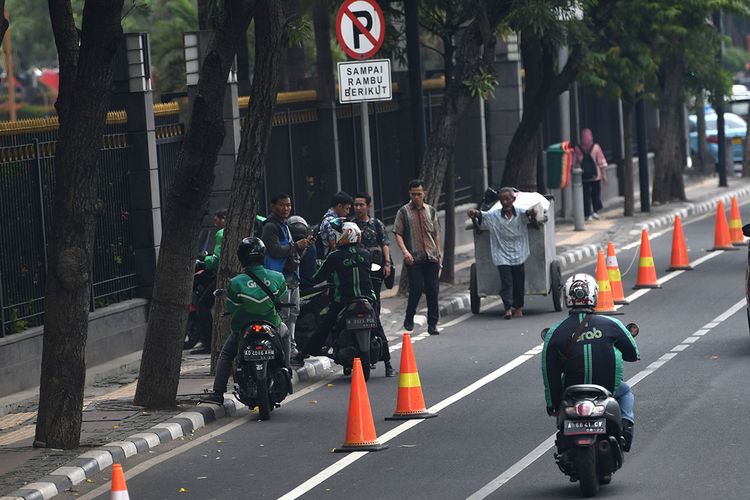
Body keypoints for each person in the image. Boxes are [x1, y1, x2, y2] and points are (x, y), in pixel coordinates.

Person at [541, 273, 639, 452]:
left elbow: (549, 372)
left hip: (571, 392)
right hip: (608, 388)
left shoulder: (555, 332)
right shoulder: (611, 324)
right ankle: (626, 429)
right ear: (594, 294)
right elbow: (633, 354)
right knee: (626, 392)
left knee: (562, 414)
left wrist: (552, 403)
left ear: (567, 297)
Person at [203, 237, 289, 405]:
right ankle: (286, 369)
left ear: (241, 257)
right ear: (263, 255)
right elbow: (282, 299)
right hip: (272, 325)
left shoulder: (235, 283)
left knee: (227, 354)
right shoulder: (277, 277)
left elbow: (233, 308)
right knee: (285, 334)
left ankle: (218, 393)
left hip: (243, 329)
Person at [296, 222, 376, 370]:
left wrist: (308, 281)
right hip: (368, 298)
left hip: (343, 301)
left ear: (345, 235)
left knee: (325, 327)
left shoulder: (335, 256)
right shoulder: (365, 253)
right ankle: (388, 363)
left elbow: (318, 277)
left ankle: (303, 353)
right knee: (377, 325)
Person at [467, 187, 537, 320]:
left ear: (513, 199)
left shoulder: (522, 214)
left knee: (518, 281)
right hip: (501, 254)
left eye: (507, 199)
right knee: (506, 282)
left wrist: (533, 213)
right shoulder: (494, 215)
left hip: (519, 253)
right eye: (502, 200)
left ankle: (519, 307)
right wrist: (473, 212)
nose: (504, 202)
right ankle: (508, 308)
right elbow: (482, 215)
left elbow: (533, 218)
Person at [261, 194, 314, 366]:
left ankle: (291, 348)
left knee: (293, 314)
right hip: (278, 279)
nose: (285, 208)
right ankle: (281, 350)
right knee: (282, 316)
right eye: (282, 205)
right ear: (273, 205)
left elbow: (293, 252)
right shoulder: (270, 227)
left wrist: (304, 245)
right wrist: (296, 246)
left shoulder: (286, 226)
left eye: (288, 205)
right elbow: (275, 250)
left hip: (292, 278)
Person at [353, 193, 396, 377]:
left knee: (374, 315)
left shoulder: (376, 224)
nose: (358, 208)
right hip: (355, 275)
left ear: (368, 206)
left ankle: (387, 362)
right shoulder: (351, 226)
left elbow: (385, 243)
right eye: (356, 205)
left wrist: (387, 263)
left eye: (362, 204)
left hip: (374, 274)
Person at [393, 179, 441, 335]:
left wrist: (439, 253)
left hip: (431, 257)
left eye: (419, 194)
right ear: (410, 194)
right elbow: (398, 233)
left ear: (424, 193)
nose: (416, 197)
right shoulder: (403, 212)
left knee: (433, 290)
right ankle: (409, 316)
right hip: (414, 258)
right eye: (413, 194)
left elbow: (436, 233)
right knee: (416, 288)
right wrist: (405, 252)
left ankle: (432, 324)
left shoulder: (431, 211)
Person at [187, 209, 227, 354]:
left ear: (224, 219)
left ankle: (208, 343)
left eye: (216, 221)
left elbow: (216, 260)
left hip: (222, 275)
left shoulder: (221, 234)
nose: (215, 224)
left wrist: (205, 259)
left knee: (203, 305)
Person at [573, 128, 608, 221]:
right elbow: (601, 162)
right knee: (595, 194)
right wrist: (604, 176)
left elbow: (574, 163)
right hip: (596, 176)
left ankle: (587, 214)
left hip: (583, 176)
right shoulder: (596, 147)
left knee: (585, 195)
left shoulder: (577, 148)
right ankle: (595, 211)